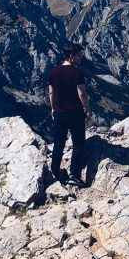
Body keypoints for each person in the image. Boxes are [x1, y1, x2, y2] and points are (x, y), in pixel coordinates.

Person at [48, 42, 91, 185]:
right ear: (71, 56)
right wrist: (87, 109)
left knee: (59, 143)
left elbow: (51, 92)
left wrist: (53, 107)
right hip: (75, 113)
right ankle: (74, 176)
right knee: (78, 143)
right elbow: (82, 94)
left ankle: (54, 172)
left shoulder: (54, 71)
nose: (80, 58)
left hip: (59, 112)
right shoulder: (76, 72)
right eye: (78, 55)